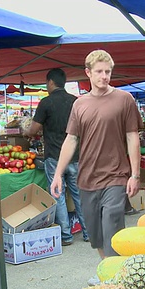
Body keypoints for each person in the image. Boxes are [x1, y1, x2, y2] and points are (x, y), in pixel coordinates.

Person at [49, 50, 142, 286]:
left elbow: (133, 137)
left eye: (108, 72)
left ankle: (115, 277)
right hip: (87, 176)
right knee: (95, 231)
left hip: (116, 174)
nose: (104, 76)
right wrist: (58, 174)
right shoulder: (80, 104)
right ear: (88, 73)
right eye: (99, 72)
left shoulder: (124, 100)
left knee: (112, 220)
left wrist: (135, 174)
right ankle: (108, 268)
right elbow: (71, 140)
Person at [25, 68, 89, 247]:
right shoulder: (76, 102)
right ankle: (88, 233)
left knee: (58, 195)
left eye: (46, 83)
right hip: (75, 156)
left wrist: (26, 132)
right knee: (79, 194)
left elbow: (33, 130)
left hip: (54, 156)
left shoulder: (46, 103)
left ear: (50, 82)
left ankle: (66, 236)